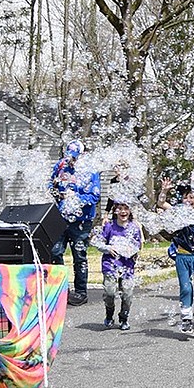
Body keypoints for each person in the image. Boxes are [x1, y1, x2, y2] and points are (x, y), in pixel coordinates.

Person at [158, 179, 194, 336]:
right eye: (185, 197)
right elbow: (161, 203)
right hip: (182, 257)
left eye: (192, 197)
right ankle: (186, 319)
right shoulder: (179, 212)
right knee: (185, 288)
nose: (188, 200)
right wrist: (164, 190)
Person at [49, 139, 102, 306]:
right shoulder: (60, 166)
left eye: (75, 157)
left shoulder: (91, 171)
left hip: (82, 220)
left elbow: (95, 196)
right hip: (61, 217)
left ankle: (81, 292)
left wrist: (74, 198)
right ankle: (61, 290)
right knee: (55, 252)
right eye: (70, 157)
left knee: (79, 255)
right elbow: (50, 185)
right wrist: (55, 190)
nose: (72, 160)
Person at [92, 199, 143, 330]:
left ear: (130, 211)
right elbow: (97, 242)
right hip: (110, 265)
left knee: (127, 295)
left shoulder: (134, 228)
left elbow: (138, 245)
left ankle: (124, 318)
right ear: (115, 211)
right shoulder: (109, 226)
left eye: (126, 208)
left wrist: (133, 252)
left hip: (127, 266)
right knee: (109, 292)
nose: (123, 211)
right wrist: (107, 248)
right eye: (120, 208)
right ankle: (109, 314)